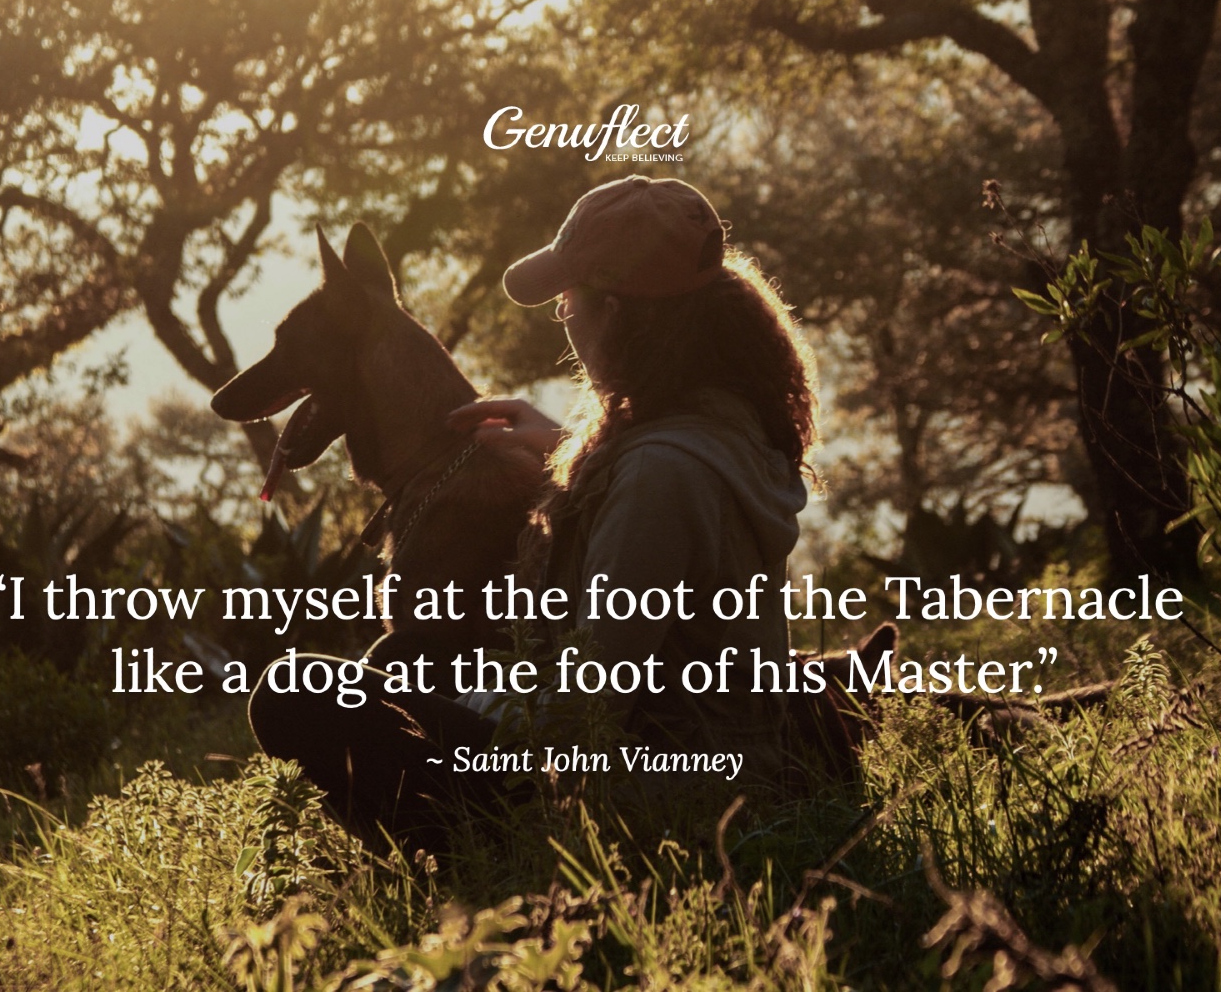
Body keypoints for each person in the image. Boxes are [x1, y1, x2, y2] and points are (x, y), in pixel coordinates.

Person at [247, 175, 816, 846]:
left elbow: (586, 707)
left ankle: (475, 868)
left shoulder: (660, 478)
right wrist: (566, 447)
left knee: (296, 690)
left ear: (617, 313)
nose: (565, 318)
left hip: (657, 801)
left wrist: (478, 704)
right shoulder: (718, 425)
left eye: (568, 301)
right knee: (408, 652)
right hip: (711, 757)